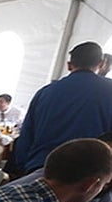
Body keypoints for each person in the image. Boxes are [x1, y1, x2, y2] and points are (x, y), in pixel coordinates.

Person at [11, 41, 112, 175]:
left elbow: (26, 135)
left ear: (69, 65)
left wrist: (23, 168)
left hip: (41, 169)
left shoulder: (45, 92)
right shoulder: (109, 90)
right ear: (102, 63)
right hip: (87, 177)